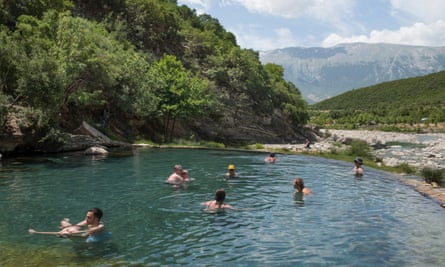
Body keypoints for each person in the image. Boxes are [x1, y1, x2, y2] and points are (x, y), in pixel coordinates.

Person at [29, 208, 110, 243]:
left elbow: (85, 235)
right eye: (86, 216)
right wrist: (67, 229)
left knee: (88, 242)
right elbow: (77, 226)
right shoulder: (87, 221)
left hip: (100, 239)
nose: (86, 218)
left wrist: (70, 235)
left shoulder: (100, 226)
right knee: (66, 225)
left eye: (89, 217)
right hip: (89, 235)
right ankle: (66, 225)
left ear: (96, 219)